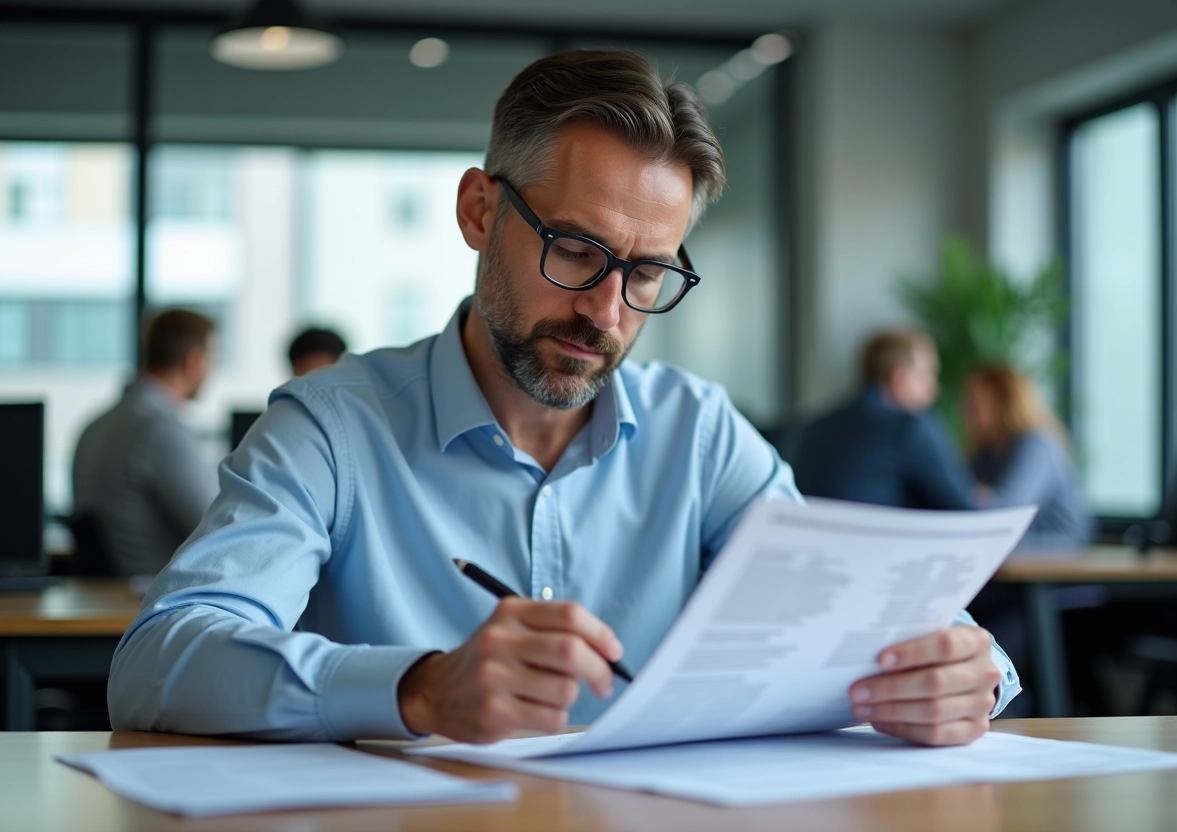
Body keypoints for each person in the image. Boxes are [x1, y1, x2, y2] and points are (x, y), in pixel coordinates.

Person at [109, 50, 1017, 747]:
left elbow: (869, 616)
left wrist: (966, 675)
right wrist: (418, 688)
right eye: (577, 251)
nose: (606, 310)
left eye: (648, 272)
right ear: (478, 211)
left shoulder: (699, 433)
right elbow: (160, 659)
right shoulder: (333, 426)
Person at [72, 309, 220, 576]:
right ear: (194, 361)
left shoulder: (95, 425)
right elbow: (218, 526)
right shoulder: (159, 429)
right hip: (156, 600)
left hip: (108, 596)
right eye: (212, 358)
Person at [793, 329, 975, 510]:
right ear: (900, 378)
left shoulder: (814, 427)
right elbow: (964, 507)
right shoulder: (909, 427)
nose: (935, 388)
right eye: (928, 374)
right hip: (879, 537)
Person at [963, 363, 1094, 548]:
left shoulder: (1036, 445)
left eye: (976, 405)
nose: (967, 413)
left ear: (1004, 403)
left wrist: (971, 494)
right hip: (1015, 543)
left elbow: (1009, 508)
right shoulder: (986, 452)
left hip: (1058, 546)